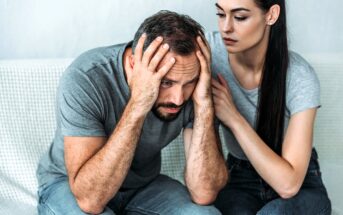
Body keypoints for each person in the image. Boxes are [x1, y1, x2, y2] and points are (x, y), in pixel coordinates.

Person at [36, 10, 228, 215]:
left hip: (141, 186)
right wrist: (138, 103)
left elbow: (204, 193)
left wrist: (204, 104)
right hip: (71, 186)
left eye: (189, 83)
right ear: (134, 65)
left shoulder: (195, 84)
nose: (178, 98)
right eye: (166, 82)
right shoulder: (86, 77)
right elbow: (90, 200)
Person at [206, 0, 332, 214]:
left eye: (239, 17)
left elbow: (289, 185)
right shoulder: (207, 52)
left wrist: (234, 118)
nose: (225, 27)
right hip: (239, 178)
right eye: (220, 14)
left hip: (301, 184)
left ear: (271, 15)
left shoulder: (299, 76)